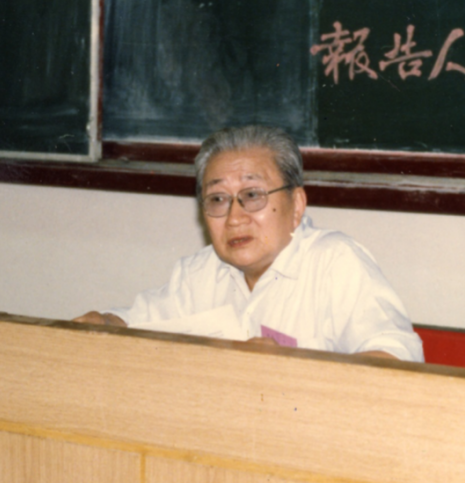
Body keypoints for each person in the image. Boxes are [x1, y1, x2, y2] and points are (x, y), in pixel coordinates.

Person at [74, 125, 423, 361]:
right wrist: (105, 323)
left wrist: (293, 368)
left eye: (253, 195)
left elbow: (397, 358)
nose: (234, 218)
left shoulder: (334, 262)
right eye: (218, 199)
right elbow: (139, 324)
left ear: (296, 205)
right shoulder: (199, 272)